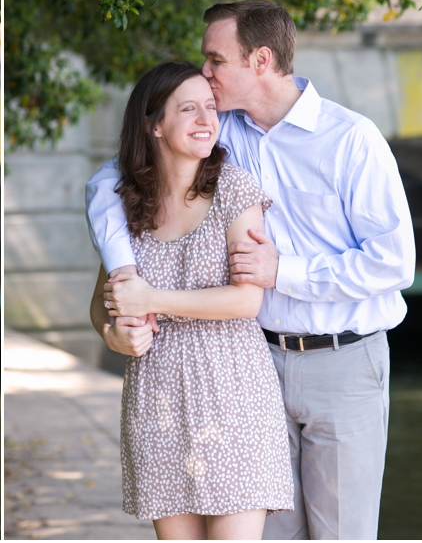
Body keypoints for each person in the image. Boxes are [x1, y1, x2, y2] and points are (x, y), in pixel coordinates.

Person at [86, 0, 416, 540]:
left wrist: (283, 271)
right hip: (254, 367)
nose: (207, 74)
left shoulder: (350, 140)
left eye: (216, 60)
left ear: (260, 60)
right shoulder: (224, 132)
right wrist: (124, 275)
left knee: (342, 533)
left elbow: (394, 261)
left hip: (344, 359)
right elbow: (114, 178)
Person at [89, 61, 293, 540]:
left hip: (234, 398)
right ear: (154, 124)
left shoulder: (234, 189)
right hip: (157, 402)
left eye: (210, 107)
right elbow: (104, 301)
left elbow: (247, 301)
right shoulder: (123, 203)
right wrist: (112, 334)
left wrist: (152, 297)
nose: (207, 119)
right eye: (188, 109)